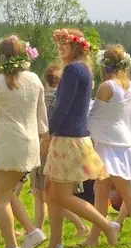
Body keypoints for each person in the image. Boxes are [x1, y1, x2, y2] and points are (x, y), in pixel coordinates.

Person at [43, 29, 122, 248]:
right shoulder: (83, 70)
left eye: (64, 44)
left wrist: (48, 134)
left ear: (76, 47)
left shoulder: (72, 70)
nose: (60, 48)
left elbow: (62, 107)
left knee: (62, 195)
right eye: (59, 44)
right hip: (72, 135)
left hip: (67, 137)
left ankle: (107, 226)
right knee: (51, 191)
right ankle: (55, 242)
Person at [0, 35, 49, 248]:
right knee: (8, 192)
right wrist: (44, 138)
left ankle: (11, 247)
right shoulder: (35, 80)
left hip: (9, 144)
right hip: (30, 144)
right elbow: (42, 115)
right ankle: (32, 232)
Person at [86, 45, 131, 246]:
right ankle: (94, 239)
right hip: (121, 142)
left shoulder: (107, 87)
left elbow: (95, 115)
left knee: (126, 193)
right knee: (101, 191)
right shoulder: (130, 86)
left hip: (110, 144)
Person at [29, 65, 89, 238]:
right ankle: (41, 230)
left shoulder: (40, 98)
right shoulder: (65, 97)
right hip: (63, 145)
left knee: (40, 194)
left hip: (43, 145)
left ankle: (38, 230)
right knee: (55, 194)